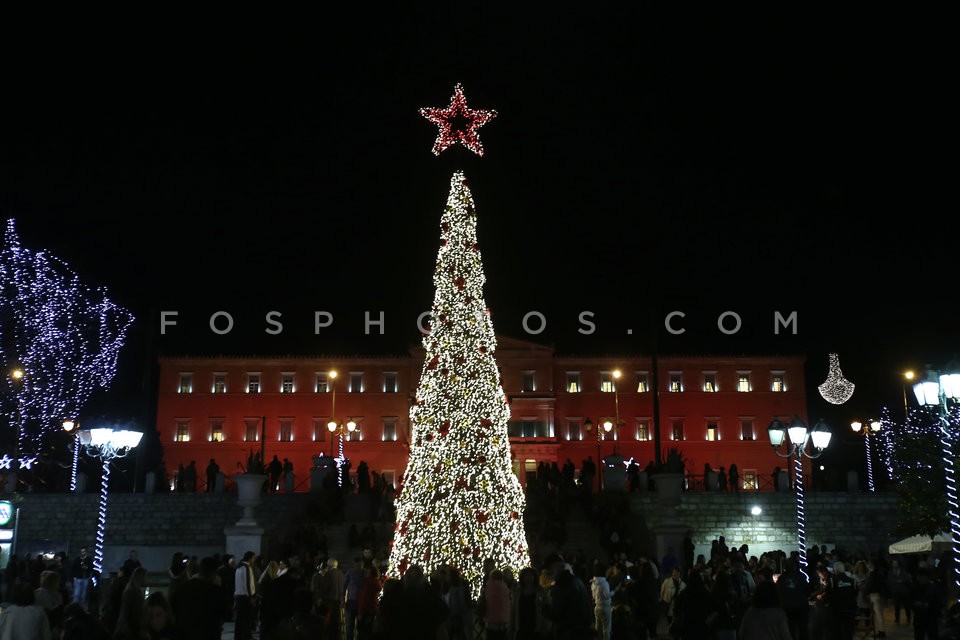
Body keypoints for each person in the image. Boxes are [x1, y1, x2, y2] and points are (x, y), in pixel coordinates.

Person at [170, 556, 225, 640]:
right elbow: (225, 613)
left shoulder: (184, 588)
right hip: (209, 634)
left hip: (186, 633)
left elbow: (173, 608)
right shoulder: (215, 591)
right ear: (214, 573)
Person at [113, 567, 148, 640]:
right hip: (132, 629)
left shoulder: (134, 590)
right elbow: (125, 611)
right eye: (145, 577)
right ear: (140, 577)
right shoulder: (131, 591)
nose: (146, 579)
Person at [234, 551, 258, 640]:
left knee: (240, 619)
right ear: (250, 558)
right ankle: (246, 636)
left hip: (239, 596)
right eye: (254, 558)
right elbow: (248, 583)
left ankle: (239, 637)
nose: (254, 560)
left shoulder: (238, 567)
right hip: (245, 597)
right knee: (246, 619)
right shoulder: (247, 568)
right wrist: (251, 597)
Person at [590, 563, 612, 640]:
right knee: (606, 630)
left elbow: (593, 596)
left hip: (597, 607)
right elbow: (607, 596)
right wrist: (615, 591)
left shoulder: (593, 582)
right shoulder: (604, 583)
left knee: (597, 629)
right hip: (605, 607)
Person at [70, 546, 94, 611]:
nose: (82, 553)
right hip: (77, 578)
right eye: (81, 552)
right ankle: (74, 608)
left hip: (85, 578)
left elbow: (91, 568)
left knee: (83, 594)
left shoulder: (89, 559)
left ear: (86, 552)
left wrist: (87, 568)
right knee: (76, 594)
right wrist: (73, 577)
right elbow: (73, 568)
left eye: (84, 551)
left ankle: (81, 608)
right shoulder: (77, 559)